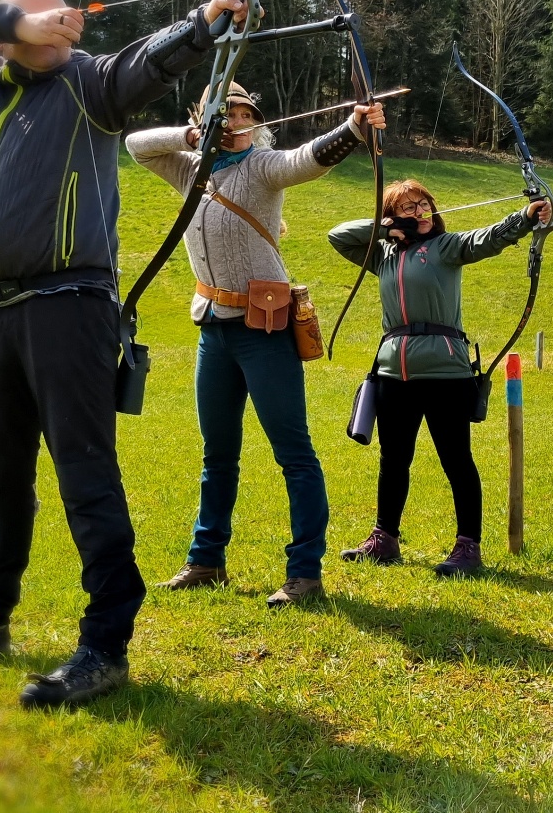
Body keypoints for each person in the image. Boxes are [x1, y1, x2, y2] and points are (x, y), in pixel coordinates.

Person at [0, 0, 252, 709]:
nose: (52, 24)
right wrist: (12, 20)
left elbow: (150, 61)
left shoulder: (89, 82)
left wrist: (207, 20)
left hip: (71, 308)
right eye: (33, 14)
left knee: (85, 475)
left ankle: (105, 644)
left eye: (57, 14)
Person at [125, 84, 386, 606]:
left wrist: (355, 128)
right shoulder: (189, 168)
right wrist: (191, 136)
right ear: (207, 117)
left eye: (247, 114)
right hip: (214, 329)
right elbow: (134, 144)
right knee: (217, 454)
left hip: (265, 331)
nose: (239, 121)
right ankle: (206, 561)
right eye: (228, 114)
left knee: (293, 453)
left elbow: (306, 160)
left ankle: (305, 572)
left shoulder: (263, 165)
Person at [328, 179, 552, 576]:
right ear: (394, 216)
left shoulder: (446, 248)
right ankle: (385, 540)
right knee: (393, 458)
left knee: (456, 460)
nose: (420, 212)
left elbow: (488, 238)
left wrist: (526, 217)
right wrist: (385, 229)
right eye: (409, 208)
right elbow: (338, 236)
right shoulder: (382, 256)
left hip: (446, 371)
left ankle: (468, 548)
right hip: (393, 372)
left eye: (424, 204)